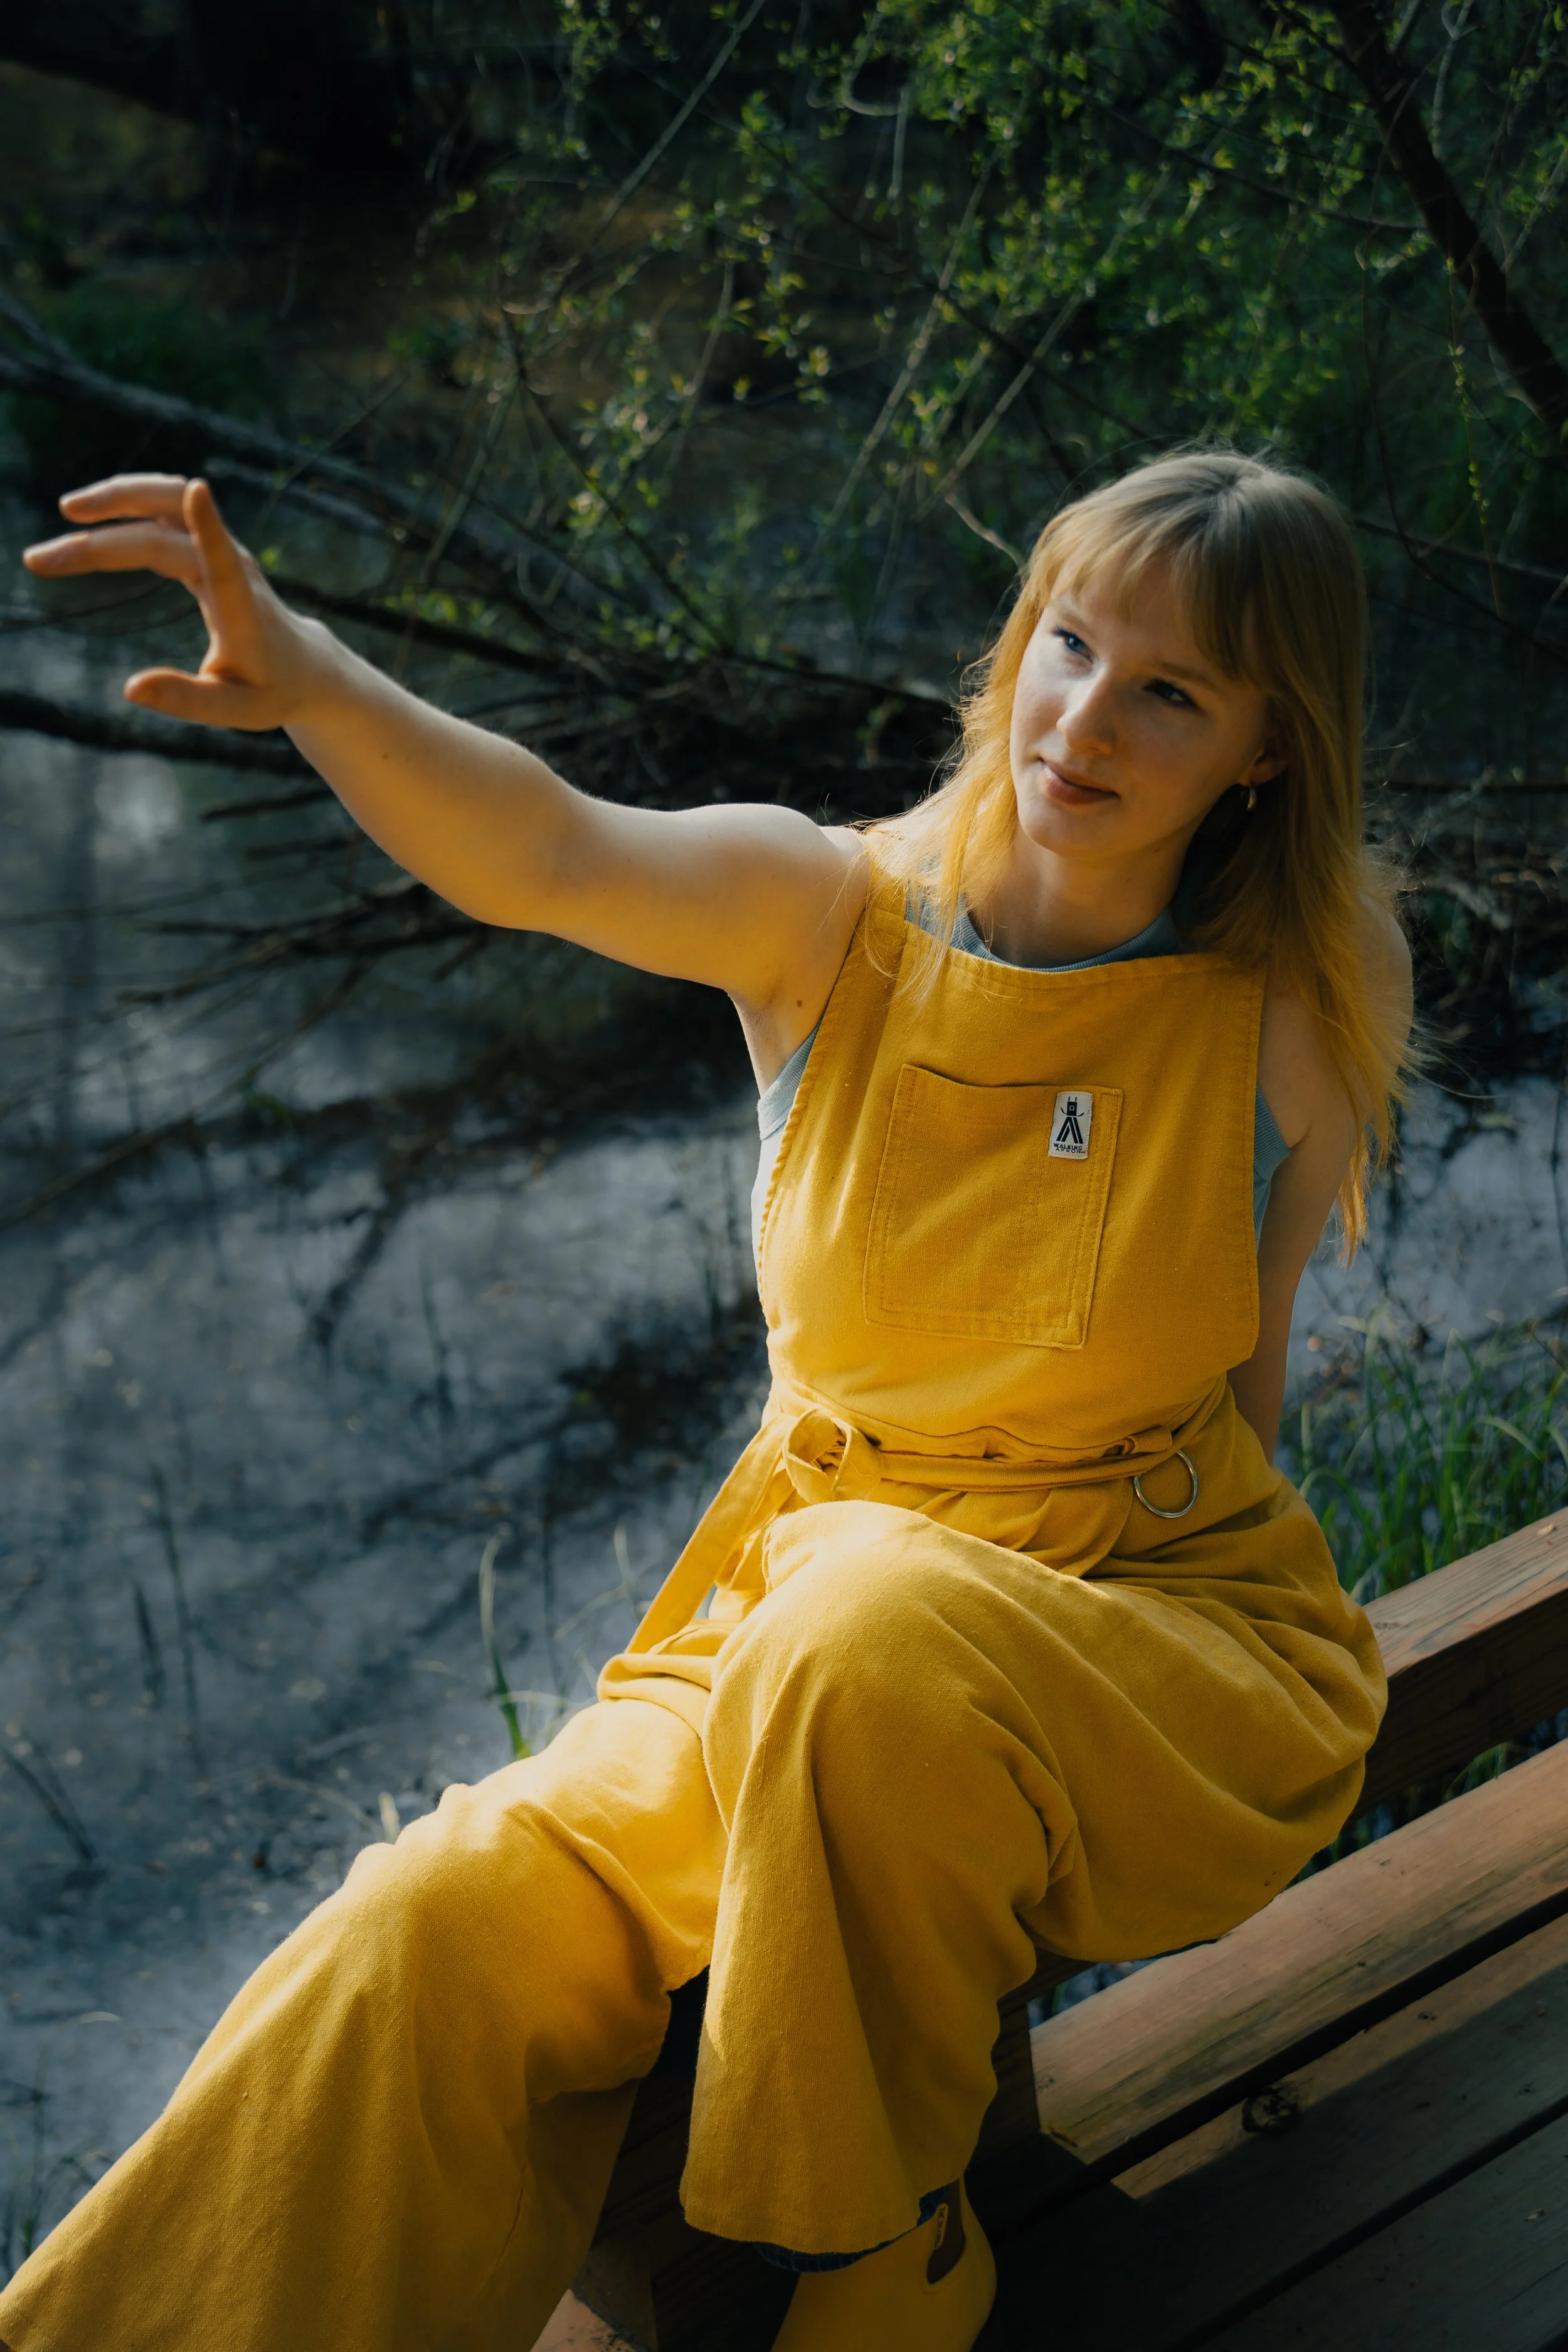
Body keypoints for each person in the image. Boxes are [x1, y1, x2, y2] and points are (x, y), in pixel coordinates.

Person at [3, 448, 1410, 2352]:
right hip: (804, 1620)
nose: (1084, 718)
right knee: (441, 1917)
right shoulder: (826, 915)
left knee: (868, 1638)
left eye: (1169, 690)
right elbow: (549, 848)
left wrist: (1001, 1735)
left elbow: (1240, 1390)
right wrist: (319, 677)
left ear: (1262, 747)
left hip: (1141, 1626)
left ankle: (881, 2250)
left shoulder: (1297, 997)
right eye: (1070, 644)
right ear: (1017, 641)